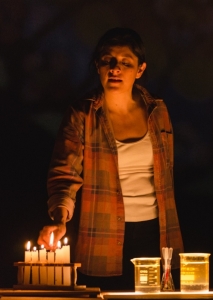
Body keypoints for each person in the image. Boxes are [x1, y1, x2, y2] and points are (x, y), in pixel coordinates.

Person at [37, 27, 183, 290]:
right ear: (98, 65)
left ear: (139, 70)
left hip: (156, 233)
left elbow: (167, 174)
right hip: (103, 234)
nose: (116, 68)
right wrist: (60, 218)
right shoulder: (82, 114)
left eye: (126, 63)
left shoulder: (157, 111)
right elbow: (65, 173)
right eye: (108, 60)